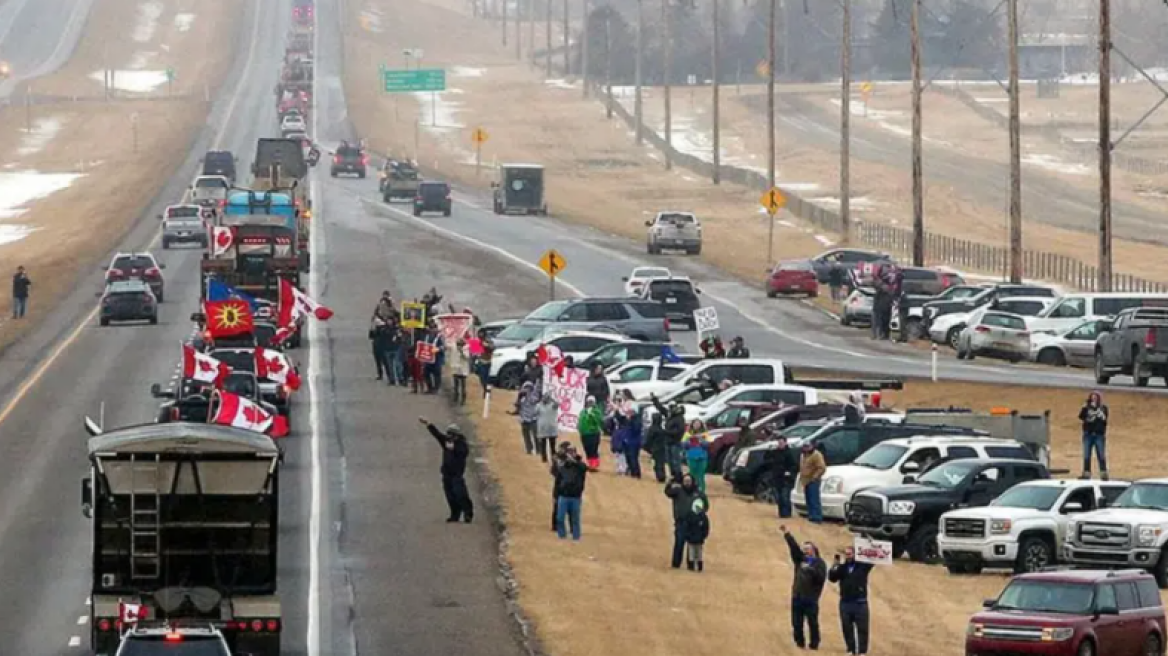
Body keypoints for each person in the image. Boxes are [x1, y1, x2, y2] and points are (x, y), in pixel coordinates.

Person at [418, 417, 474, 523]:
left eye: (452, 435)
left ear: (457, 435)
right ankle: (455, 514)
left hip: (457, 475)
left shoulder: (462, 445)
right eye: (448, 434)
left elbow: (463, 453)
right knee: (450, 496)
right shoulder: (446, 441)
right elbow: (437, 435)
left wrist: (454, 449)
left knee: (461, 494)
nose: (449, 437)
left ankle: (468, 513)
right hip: (446, 474)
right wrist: (428, 424)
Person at [781, 525, 827, 651]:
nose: (806, 551)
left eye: (808, 549)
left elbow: (821, 578)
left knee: (812, 623)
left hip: (811, 599)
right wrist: (787, 534)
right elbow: (794, 548)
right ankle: (799, 643)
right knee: (796, 623)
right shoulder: (800, 560)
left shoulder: (820, 563)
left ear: (814, 550)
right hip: (797, 597)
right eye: (804, 549)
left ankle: (814, 644)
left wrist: (811, 570)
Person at [830, 545, 874, 656]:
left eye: (850, 554)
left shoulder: (862, 566)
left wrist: (870, 544)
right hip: (845, 603)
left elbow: (873, 558)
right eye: (846, 554)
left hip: (860, 603)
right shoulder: (842, 567)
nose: (848, 556)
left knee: (863, 628)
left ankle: (862, 652)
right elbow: (832, 578)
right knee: (846, 627)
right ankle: (850, 649)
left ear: (855, 554)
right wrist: (834, 566)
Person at [665, 474, 708, 569]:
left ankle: (691, 565)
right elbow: (668, 492)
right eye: (685, 481)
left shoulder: (699, 494)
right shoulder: (678, 491)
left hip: (693, 524)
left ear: (692, 482)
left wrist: (699, 515)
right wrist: (669, 483)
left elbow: (705, 506)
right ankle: (676, 564)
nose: (687, 483)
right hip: (681, 522)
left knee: (692, 544)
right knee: (679, 543)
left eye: (689, 481)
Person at [552, 443, 587, 540]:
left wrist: (575, 461)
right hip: (563, 495)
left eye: (573, 452)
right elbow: (557, 480)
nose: (571, 454)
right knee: (560, 518)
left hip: (575, 496)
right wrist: (555, 495)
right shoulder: (562, 466)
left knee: (575, 518)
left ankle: (576, 537)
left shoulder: (580, 466)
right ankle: (562, 536)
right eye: (569, 452)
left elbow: (584, 468)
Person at [1079, 391, 1110, 480]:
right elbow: (1081, 417)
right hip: (1088, 435)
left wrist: (1097, 412)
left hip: (1098, 435)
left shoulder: (1103, 408)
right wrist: (1084, 408)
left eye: (1095, 398)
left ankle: (1103, 473)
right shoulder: (1087, 408)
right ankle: (1086, 473)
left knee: (1101, 455)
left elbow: (1104, 419)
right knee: (1086, 455)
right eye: (1092, 398)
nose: (1094, 399)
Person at [768, 435, 800, 519]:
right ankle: (781, 514)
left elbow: (794, 465)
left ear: (785, 443)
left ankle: (787, 514)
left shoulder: (789, 453)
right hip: (777, 477)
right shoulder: (775, 452)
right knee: (778, 497)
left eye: (781, 443)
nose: (780, 444)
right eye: (779, 443)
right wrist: (769, 450)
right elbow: (767, 458)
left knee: (785, 496)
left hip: (786, 479)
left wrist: (789, 472)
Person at [681, 497, 710, 572]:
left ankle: (699, 566)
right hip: (691, 539)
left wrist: (704, 536)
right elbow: (686, 527)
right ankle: (691, 566)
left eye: (699, 507)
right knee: (691, 553)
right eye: (697, 507)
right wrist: (687, 536)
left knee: (699, 553)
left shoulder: (703, 517)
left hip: (699, 540)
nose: (698, 509)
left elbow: (706, 528)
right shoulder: (689, 516)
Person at [800, 441, 827, 523]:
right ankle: (811, 516)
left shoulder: (817, 455)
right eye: (804, 446)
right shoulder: (803, 455)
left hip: (813, 481)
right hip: (805, 481)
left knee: (814, 500)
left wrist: (815, 477)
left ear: (812, 446)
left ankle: (817, 518)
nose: (806, 448)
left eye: (808, 446)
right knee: (808, 500)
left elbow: (822, 468)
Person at [512, 381, 541, 456]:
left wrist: (527, 395)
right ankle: (529, 449)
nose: (527, 389)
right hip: (524, 419)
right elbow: (517, 405)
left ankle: (538, 450)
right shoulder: (521, 396)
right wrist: (519, 397)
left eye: (529, 388)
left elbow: (534, 401)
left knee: (536, 435)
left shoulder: (534, 395)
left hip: (533, 419)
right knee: (526, 435)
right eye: (526, 387)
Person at [577, 395, 604, 470]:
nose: (590, 403)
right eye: (589, 401)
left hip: (593, 434)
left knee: (593, 450)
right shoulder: (583, 411)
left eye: (591, 402)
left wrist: (592, 415)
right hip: (584, 434)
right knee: (587, 449)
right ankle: (590, 464)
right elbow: (580, 421)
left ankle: (594, 465)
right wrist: (579, 428)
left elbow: (598, 421)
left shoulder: (597, 411)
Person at [683, 420, 710, 493]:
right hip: (691, 457)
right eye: (695, 424)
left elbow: (707, 445)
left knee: (701, 475)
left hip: (702, 458)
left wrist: (701, 441)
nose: (697, 425)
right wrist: (690, 441)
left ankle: (701, 492)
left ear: (701, 425)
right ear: (692, 425)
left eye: (698, 424)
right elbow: (683, 445)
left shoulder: (705, 434)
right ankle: (692, 490)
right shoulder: (687, 434)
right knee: (692, 475)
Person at [549, 441, 571, 531]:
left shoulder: (569, 459)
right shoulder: (557, 458)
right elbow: (553, 472)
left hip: (566, 486)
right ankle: (555, 525)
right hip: (560, 485)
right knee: (557, 506)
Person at [644, 411, 670, 482]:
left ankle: (660, 477)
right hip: (661, 448)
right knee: (660, 463)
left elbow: (648, 439)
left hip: (655, 448)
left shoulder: (652, 429)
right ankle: (661, 476)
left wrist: (647, 448)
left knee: (658, 464)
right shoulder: (661, 429)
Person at [535, 392, 559, 463]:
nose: (545, 399)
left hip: (552, 429)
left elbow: (557, 404)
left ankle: (554, 459)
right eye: (544, 397)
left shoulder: (552, 405)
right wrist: (540, 402)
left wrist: (552, 399)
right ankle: (544, 459)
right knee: (543, 446)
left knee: (552, 446)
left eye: (547, 397)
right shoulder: (539, 405)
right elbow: (535, 412)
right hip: (542, 429)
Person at [448, 336, 471, 405]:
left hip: (463, 370)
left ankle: (463, 399)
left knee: (463, 386)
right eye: (458, 344)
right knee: (456, 385)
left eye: (460, 344)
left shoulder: (466, 349)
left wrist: (461, 351)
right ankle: (455, 397)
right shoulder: (453, 347)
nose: (459, 346)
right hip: (455, 368)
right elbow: (448, 345)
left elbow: (467, 357)